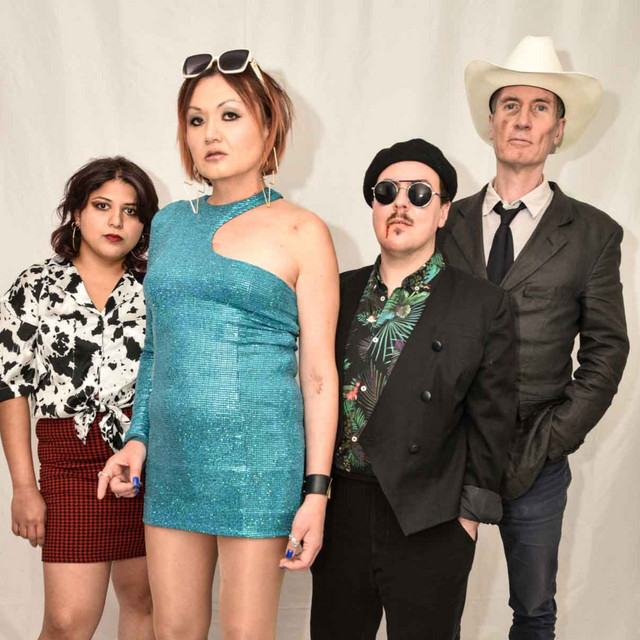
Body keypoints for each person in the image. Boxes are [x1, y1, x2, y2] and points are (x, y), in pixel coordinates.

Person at [98, 49, 339, 639]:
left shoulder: (303, 229)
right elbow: (157, 350)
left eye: (230, 115)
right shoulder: (169, 223)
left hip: (258, 460)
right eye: (197, 119)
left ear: (268, 124)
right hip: (173, 463)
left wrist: (317, 492)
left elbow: (318, 376)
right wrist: (137, 439)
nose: (211, 133)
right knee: (173, 632)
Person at [438, 36, 629, 638]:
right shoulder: (443, 220)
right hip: (446, 450)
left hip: (536, 456)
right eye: (510, 105)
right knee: (431, 608)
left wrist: (552, 439)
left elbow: (607, 349)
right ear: (491, 121)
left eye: (539, 107)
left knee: (534, 610)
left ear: (558, 129)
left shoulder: (593, 233)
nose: (523, 119)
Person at [310, 138, 517, 640]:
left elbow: (493, 418)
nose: (400, 204)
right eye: (387, 192)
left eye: (419, 193)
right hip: (342, 508)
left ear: (444, 211)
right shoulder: (335, 290)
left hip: (430, 516)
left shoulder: (483, 302)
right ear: (373, 206)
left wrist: (467, 520)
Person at [0, 156, 159, 639]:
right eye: (102, 206)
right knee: (68, 621)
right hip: (68, 458)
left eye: (131, 211)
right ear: (76, 211)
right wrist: (24, 487)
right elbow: (10, 386)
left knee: (145, 603)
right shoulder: (35, 286)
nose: (116, 222)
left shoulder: (156, 289)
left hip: (146, 456)